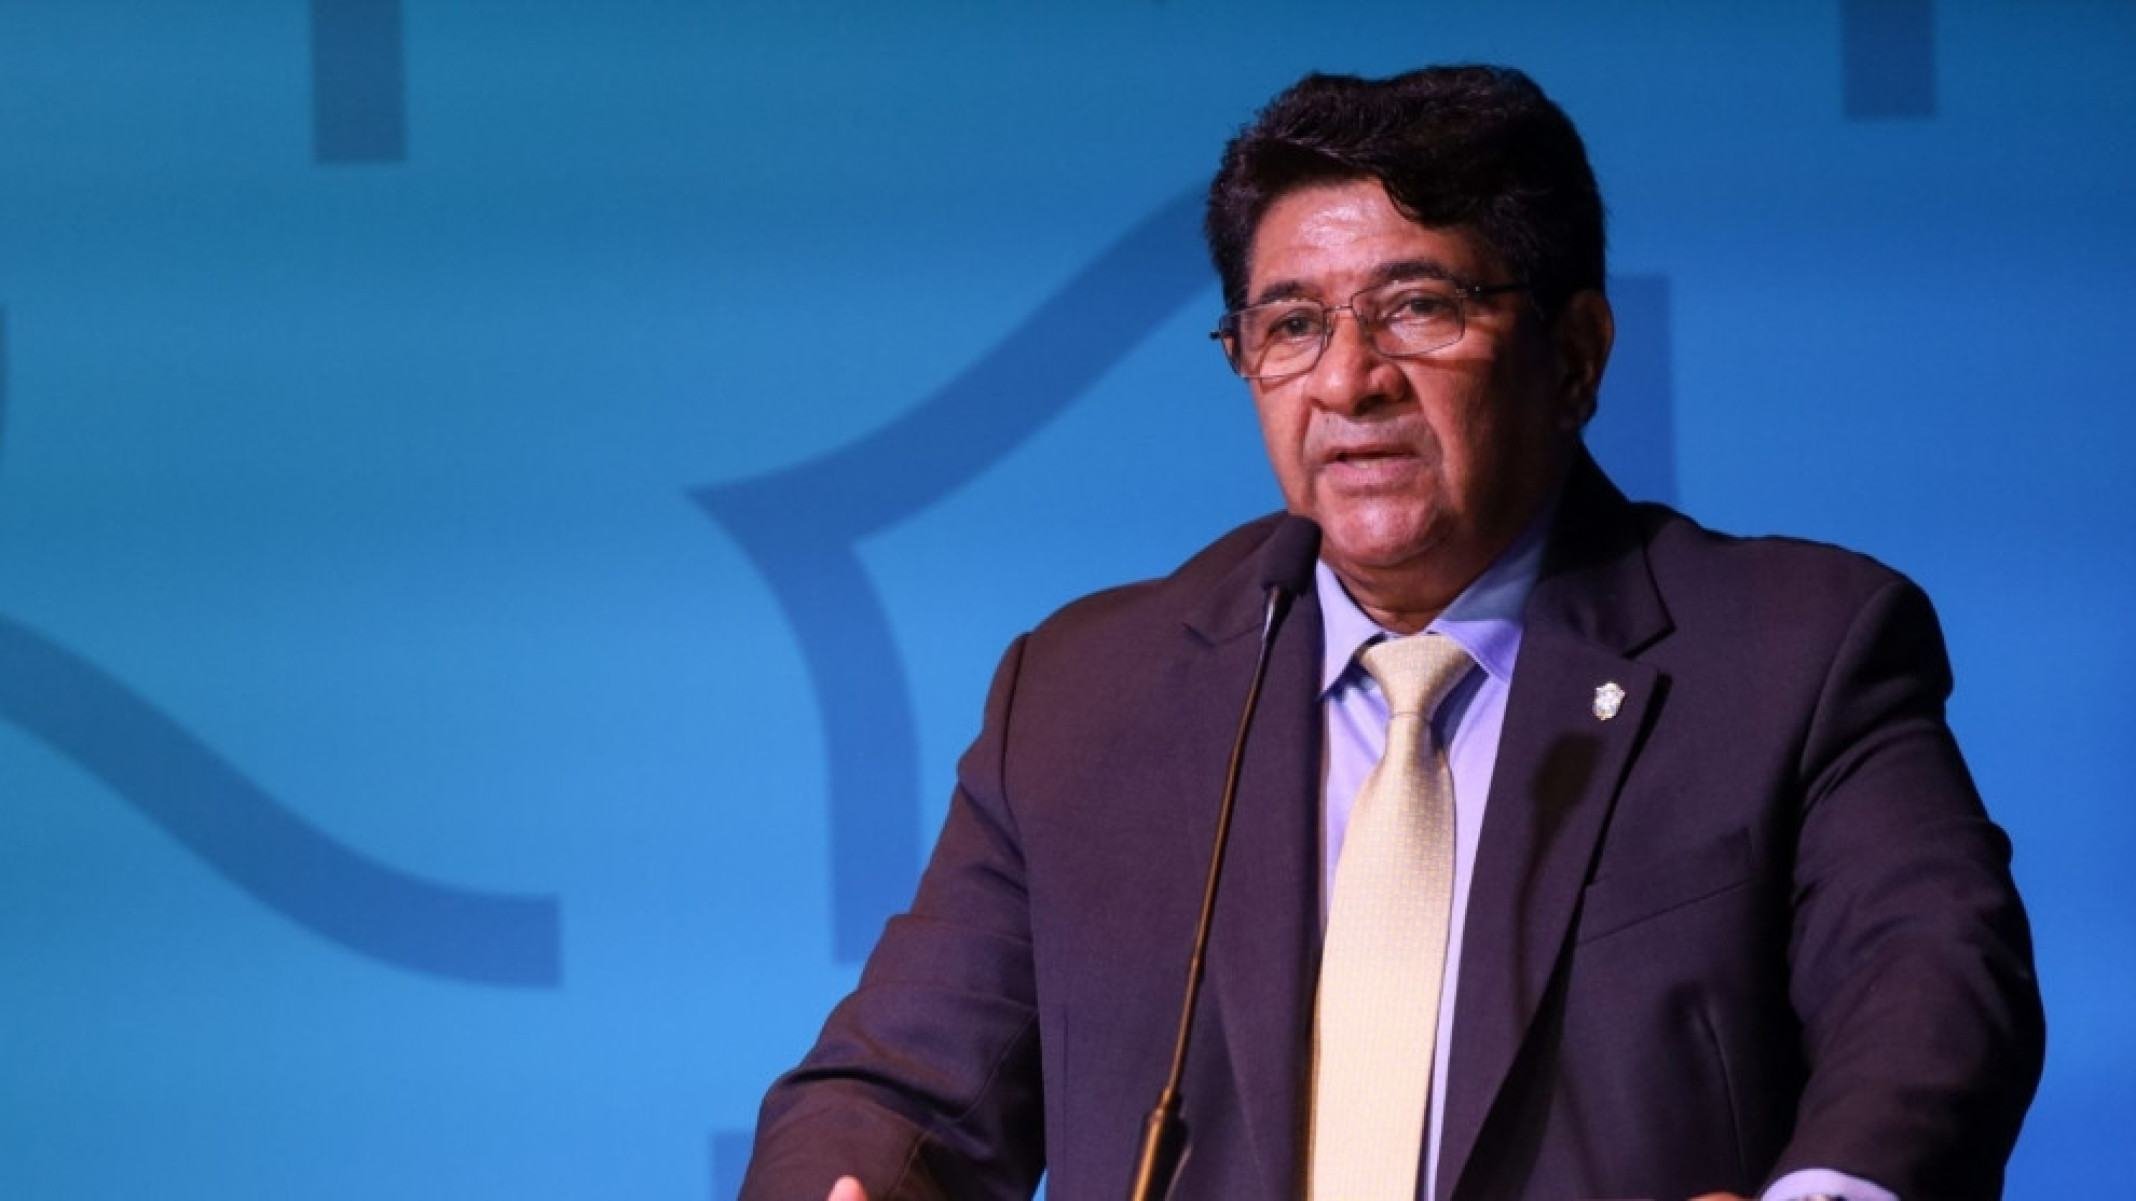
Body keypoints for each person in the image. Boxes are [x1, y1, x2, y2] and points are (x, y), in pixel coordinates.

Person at [739, 65, 2043, 1201]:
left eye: (1419, 307)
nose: (1349, 380)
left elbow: (1927, 978)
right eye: (1292, 325)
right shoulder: (1087, 694)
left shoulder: (1791, 653)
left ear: (1576, 352)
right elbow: (898, 1086)